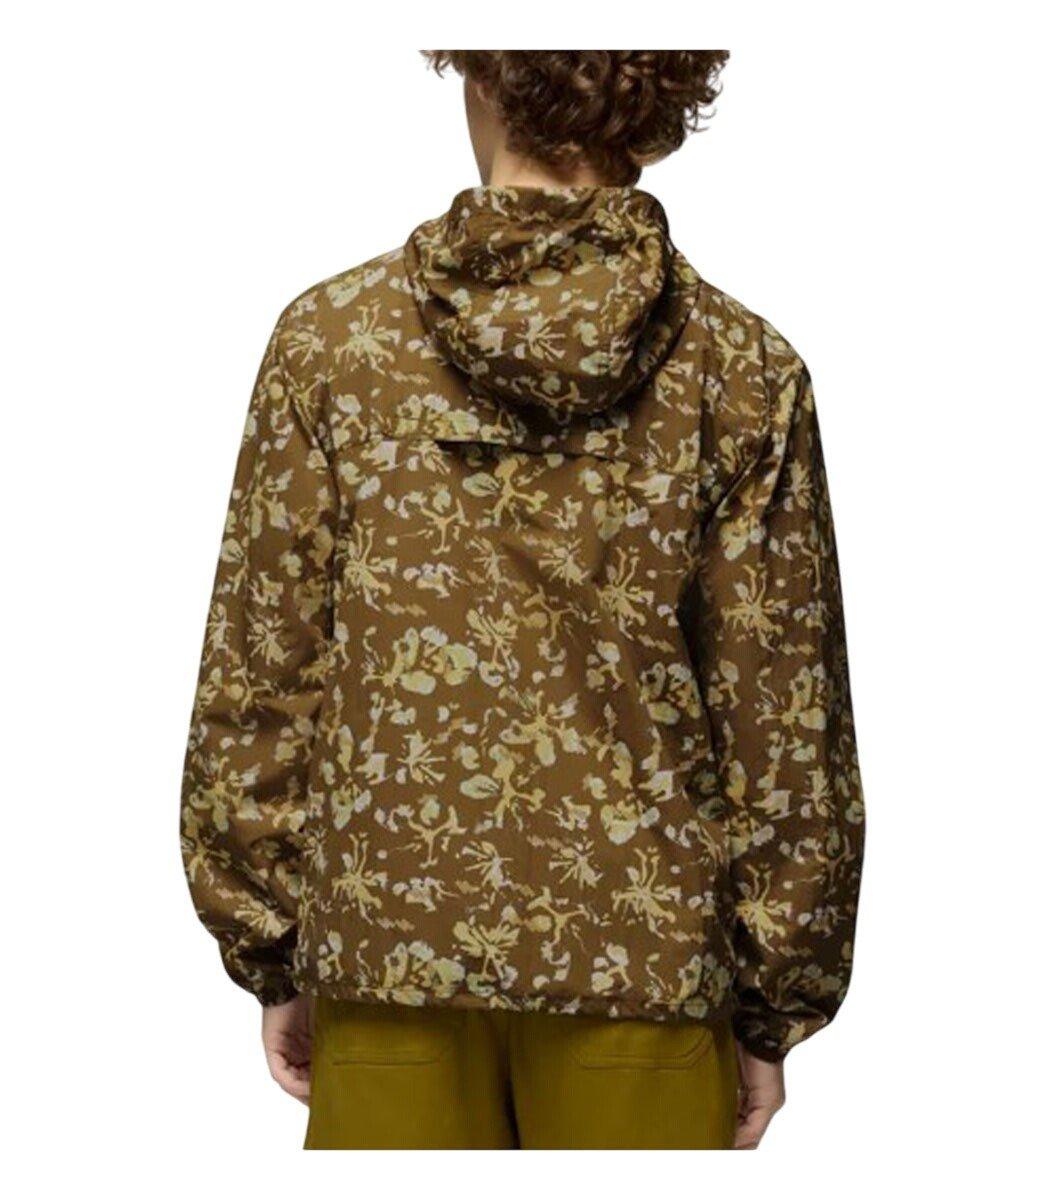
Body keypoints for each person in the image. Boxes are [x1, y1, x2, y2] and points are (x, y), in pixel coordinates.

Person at [179, 49, 865, 1150]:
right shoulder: (742, 369)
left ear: (481, 78)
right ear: (657, 102)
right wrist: (772, 1006)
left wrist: (273, 944)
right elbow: (783, 724)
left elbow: (263, 677)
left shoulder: (333, 344)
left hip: (389, 950)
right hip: (644, 970)